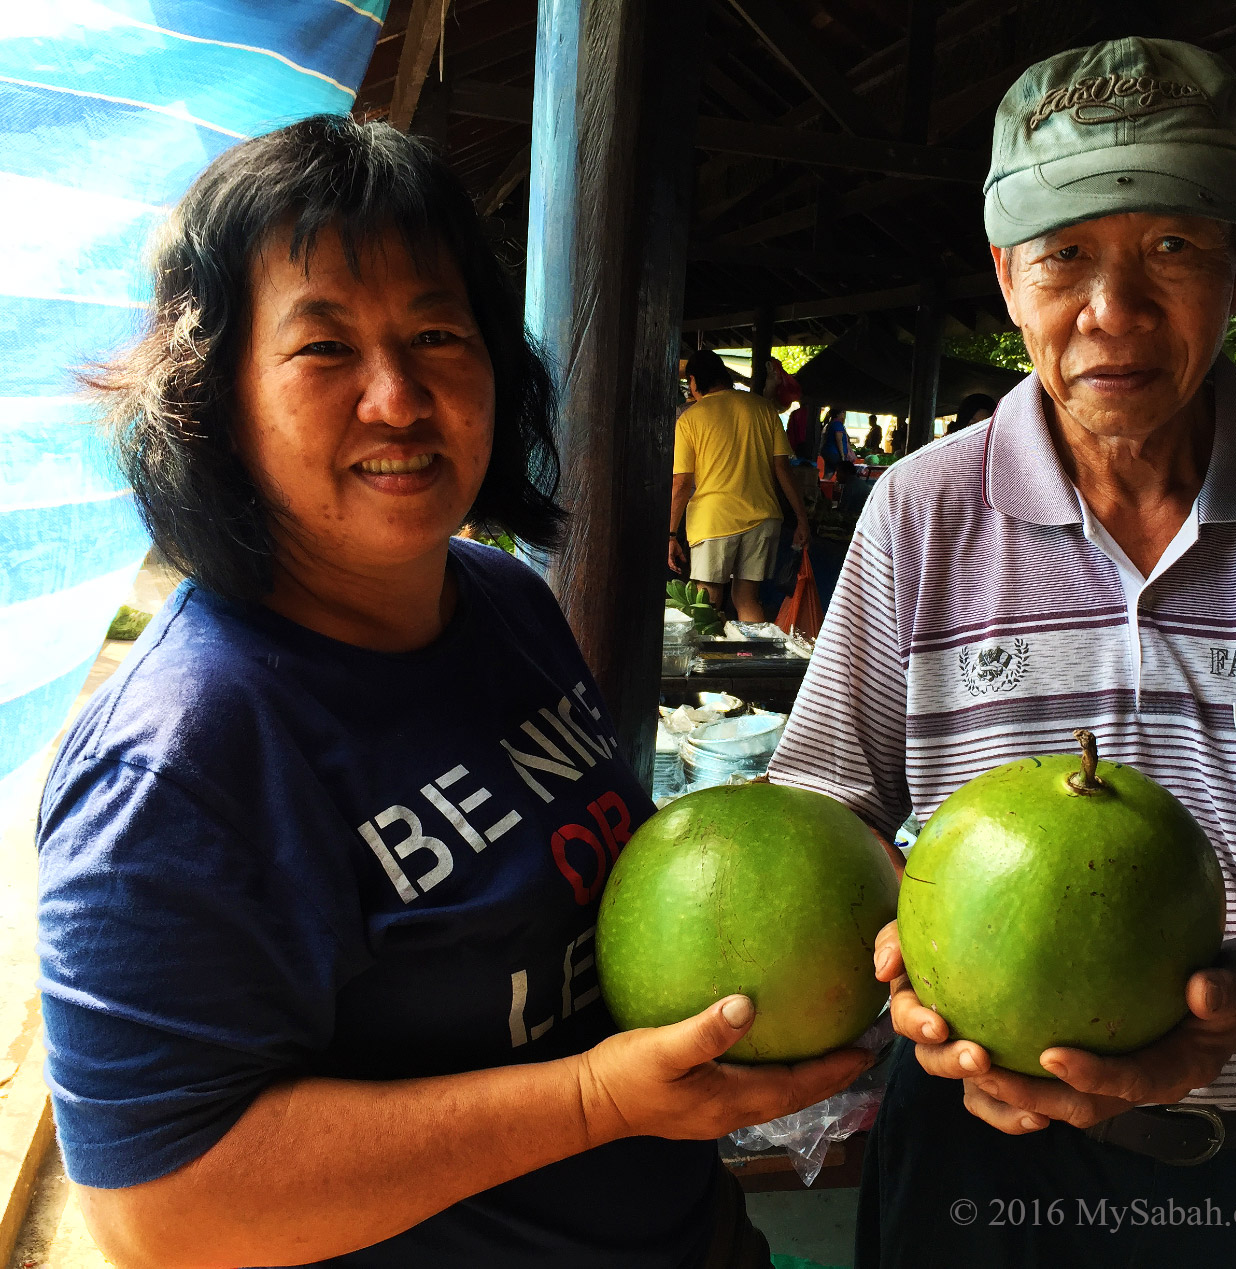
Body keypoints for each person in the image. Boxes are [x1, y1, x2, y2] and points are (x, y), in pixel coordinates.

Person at [38, 116, 869, 1269]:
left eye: (438, 332)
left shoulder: (505, 603)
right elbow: (158, 1212)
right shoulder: (182, 759)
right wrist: (590, 1103)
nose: (398, 396)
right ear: (213, 396)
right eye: (324, 348)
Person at [767, 36, 1236, 1269]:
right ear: (1007, 275)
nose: (1110, 314)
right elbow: (826, 809)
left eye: (1170, 248)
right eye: (1065, 256)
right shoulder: (921, 508)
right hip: (968, 1147)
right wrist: (901, 976)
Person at [670, 349, 811, 622]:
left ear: (695, 381)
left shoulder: (690, 418)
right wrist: (802, 519)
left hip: (714, 520)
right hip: (763, 518)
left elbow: (682, 482)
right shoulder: (763, 409)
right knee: (747, 599)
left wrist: (671, 534)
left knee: (707, 600)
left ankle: (707, 665)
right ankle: (752, 664)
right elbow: (782, 469)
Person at [818, 405, 857, 473]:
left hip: (828, 452)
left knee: (829, 472)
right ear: (838, 414)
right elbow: (839, 440)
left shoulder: (831, 424)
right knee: (841, 472)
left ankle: (824, 483)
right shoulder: (838, 424)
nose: (844, 415)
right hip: (835, 453)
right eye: (843, 412)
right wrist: (842, 455)